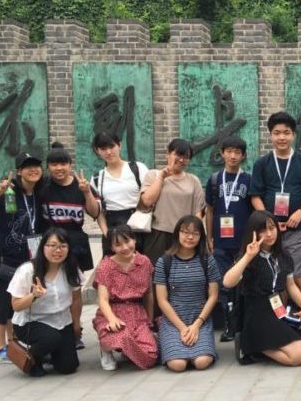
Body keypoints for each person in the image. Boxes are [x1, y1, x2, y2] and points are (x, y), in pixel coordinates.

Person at [0, 153, 44, 364]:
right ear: (19, 171)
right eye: (27, 167)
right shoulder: (7, 190)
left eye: (37, 166)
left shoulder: (38, 193)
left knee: (13, 301)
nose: (33, 170)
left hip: (23, 257)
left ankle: (12, 345)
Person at [222, 211, 301, 366]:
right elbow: (227, 282)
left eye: (272, 228)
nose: (269, 234)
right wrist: (248, 256)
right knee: (299, 356)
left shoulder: (283, 255)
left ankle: (264, 344)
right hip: (257, 311)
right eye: (263, 230)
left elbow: (291, 285)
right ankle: (250, 345)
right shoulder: (248, 256)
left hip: (278, 307)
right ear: (253, 232)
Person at [250, 111, 301, 312]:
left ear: (293, 135)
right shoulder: (262, 164)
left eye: (286, 133)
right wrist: (268, 220)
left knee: (296, 274)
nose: (281, 137)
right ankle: (282, 321)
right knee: (277, 275)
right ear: (270, 135)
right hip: (270, 232)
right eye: (277, 133)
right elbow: (255, 196)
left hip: (297, 230)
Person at [7, 227, 84, 376]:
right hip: (32, 323)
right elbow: (15, 306)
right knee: (51, 338)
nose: (58, 250)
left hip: (62, 321)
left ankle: (50, 353)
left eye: (63, 246)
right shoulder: (28, 270)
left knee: (68, 367)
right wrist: (33, 295)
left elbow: (76, 299)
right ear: (43, 247)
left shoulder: (71, 268)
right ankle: (31, 355)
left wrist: (76, 324)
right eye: (52, 245)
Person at [153, 215, 220, 372]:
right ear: (177, 233)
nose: (190, 237)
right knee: (178, 365)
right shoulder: (164, 261)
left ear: (200, 237)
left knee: (202, 362)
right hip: (173, 322)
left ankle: (201, 345)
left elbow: (213, 296)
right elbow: (162, 300)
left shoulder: (207, 260)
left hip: (200, 319)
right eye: (185, 232)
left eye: (195, 233)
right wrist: (183, 328)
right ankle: (166, 342)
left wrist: (197, 325)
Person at [204, 136, 251, 342]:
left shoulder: (248, 180)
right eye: (228, 151)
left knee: (244, 283)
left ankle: (243, 324)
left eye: (237, 152)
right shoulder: (214, 180)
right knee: (223, 284)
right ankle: (229, 325)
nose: (232, 156)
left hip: (242, 243)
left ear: (243, 155)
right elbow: (210, 211)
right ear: (222, 153)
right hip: (221, 242)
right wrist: (208, 237)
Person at [92, 224, 157, 371]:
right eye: (118, 244)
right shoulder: (106, 266)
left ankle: (129, 350)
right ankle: (107, 349)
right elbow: (102, 299)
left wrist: (149, 321)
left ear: (134, 240)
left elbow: (148, 294)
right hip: (113, 311)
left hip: (137, 312)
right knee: (122, 337)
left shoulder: (144, 262)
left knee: (151, 357)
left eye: (127, 241)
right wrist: (112, 319)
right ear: (112, 247)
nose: (125, 247)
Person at [139, 138, 205, 264]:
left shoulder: (193, 180)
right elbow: (147, 201)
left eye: (186, 157)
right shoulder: (153, 175)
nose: (182, 160)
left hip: (184, 235)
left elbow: (198, 213)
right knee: (157, 274)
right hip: (158, 234)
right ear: (168, 154)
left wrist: (196, 235)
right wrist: (161, 178)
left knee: (182, 274)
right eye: (178, 155)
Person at [40, 142, 100, 272]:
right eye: (54, 164)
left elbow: (95, 213)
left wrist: (87, 192)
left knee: (75, 283)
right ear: (47, 167)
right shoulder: (42, 185)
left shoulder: (81, 185)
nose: (59, 168)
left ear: (70, 165)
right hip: (50, 241)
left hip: (75, 241)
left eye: (63, 164)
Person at [90, 131, 150, 255]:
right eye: (103, 148)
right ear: (97, 151)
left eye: (112, 146)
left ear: (119, 145)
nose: (108, 152)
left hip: (138, 225)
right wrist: (106, 233)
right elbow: (100, 212)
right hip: (113, 227)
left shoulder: (138, 168)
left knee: (141, 268)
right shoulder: (97, 178)